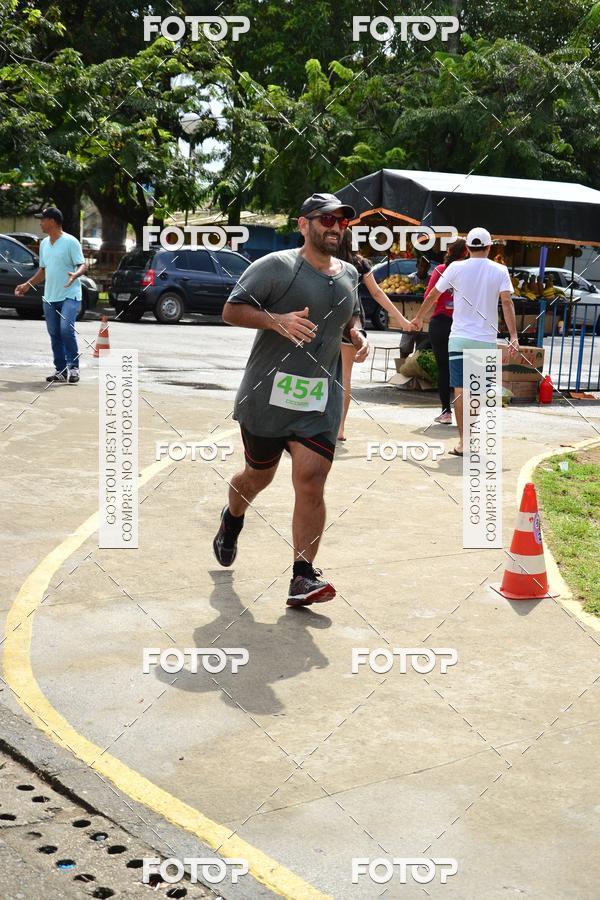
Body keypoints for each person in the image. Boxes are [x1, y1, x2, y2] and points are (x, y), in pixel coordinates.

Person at [213, 192, 369, 607]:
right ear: (304, 224)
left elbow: (350, 315)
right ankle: (232, 520)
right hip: (267, 398)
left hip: (319, 399)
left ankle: (302, 577)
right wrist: (275, 321)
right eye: (326, 220)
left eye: (341, 221)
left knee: (311, 481)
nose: (335, 227)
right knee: (256, 478)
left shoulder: (350, 274)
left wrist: (355, 334)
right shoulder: (276, 267)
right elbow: (231, 310)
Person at [412, 227, 519, 456]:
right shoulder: (500, 270)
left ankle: (464, 443)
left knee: (460, 392)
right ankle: (472, 435)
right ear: (489, 248)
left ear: (468, 248)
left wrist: (419, 318)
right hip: (486, 339)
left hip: (459, 338)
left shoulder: (455, 268)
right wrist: (513, 336)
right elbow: (507, 303)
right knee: (477, 392)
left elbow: (433, 295)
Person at [335, 229, 415, 440]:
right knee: (344, 378)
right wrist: (402, 319)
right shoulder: (359, 263)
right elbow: (378, 293)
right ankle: (340, 428)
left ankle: (315, 422)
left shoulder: (325, 258)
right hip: (352, 320)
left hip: (326, 319)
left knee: (320, 374)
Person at [15, 207, 86, 384]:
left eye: (43, 219)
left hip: (70, 294)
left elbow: (82, 265)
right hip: (50, 297)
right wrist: (27, 285)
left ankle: (74, 367)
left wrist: (75, 275)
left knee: (65, 329)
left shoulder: (71, 242)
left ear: (53, 222)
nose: (40, 222)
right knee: (54, 333)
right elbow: (43, 272)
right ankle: (61, 370)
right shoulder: (45, 244)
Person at [425, 238, 468, 425]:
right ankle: (467, 415)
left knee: (444, 368)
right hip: (465, 325)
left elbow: (429, 296)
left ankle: (446, 412)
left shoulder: (441, 271)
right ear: (466, 253)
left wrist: (418, 317)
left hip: (441, 324)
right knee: (467, 370)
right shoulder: (471, 273)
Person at [400, 255, 432, 360]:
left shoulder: (431, 280)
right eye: (421, 266)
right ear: (417, 266)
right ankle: (400, 371)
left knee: (421, 349)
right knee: (405, 347)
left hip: (425, 318)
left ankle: (416, 372)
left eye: (426, 266)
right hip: (410, 316)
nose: (423, 269)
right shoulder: (409, 279)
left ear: (429, 267)